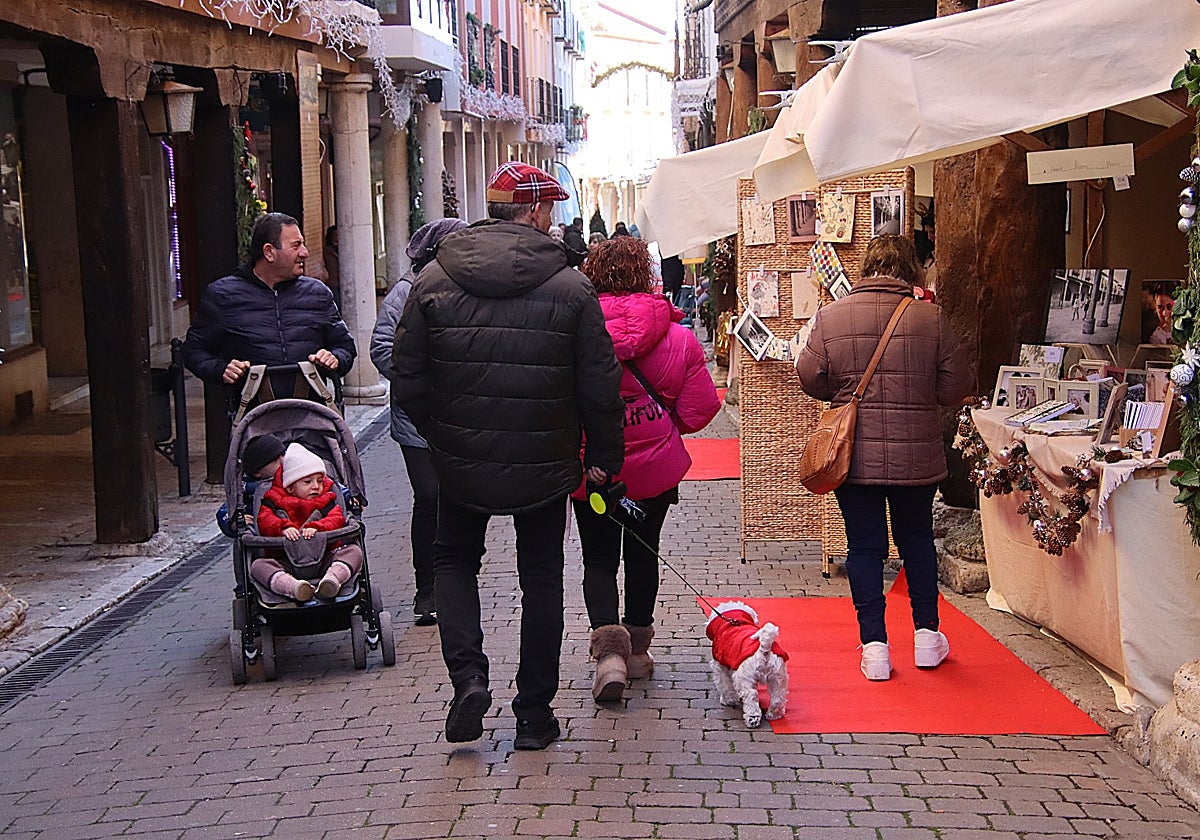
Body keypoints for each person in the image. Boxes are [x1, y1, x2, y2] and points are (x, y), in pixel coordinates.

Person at [391, 161, 625, 750]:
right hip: (544, 460)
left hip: (460, 458)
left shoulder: (434, 281)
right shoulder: (572, 288)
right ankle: (532, 713)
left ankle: (468, 678)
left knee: (453, 563)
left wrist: (438, 435)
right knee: (542, 577)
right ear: (538, 211)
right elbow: (599, 385)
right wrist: (602, 456)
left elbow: (406, 376)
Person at [796, 234, 972, 682]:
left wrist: (844, 392)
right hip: (917, 455)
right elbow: (956, 385)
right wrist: (920, 394)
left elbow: (810, 375)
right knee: (916, 540)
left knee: (864, 546)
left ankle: (875, 647)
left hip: (855, 456)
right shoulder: (930, 318)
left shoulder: (832, 316)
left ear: (866, 267)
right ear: (910, 269)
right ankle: (928, 638)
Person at [574, 236, 720, 702]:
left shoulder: (575, 334)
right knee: (643, 553)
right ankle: (637, 653)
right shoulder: (677, 336)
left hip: (593, 468)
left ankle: (608, 657)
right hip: (653, 473)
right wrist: (661, 424)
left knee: (598, 559)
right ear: (646, 275)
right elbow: (700, 411)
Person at [370, 217, 468, 626]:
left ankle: (457, 584)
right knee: (429, 496)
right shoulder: (404, 293)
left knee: (459, 499)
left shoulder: (469, 289)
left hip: (462, 417)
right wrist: (421, 379)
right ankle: (426, 587)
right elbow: (380, 348)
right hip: (417, 417)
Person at [182, 212, 356, 408]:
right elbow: (193, 351)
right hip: (252, 420)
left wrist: (335, 358)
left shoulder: (317, 293)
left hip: (313, 417)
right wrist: (221, 369)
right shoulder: (223, 295)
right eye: (296, 245)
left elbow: (346, 347)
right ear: (269, 252)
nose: (305, 253)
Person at [252, 443, 364, 603]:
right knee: (258, 566)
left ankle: (332, 580)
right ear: (290, 487)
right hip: (285, 560)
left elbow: (337, 518)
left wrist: (317, 527)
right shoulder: (273, 500)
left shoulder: (327, 499)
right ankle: (293, 587)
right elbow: (265, 520)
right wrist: (283, 527)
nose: (316, 486)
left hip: (326, 555)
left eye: (319, 481)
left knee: (353, 552)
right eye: (308, 482)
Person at [216, 433, 286, 537]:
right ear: (257, 472)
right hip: (263, 534)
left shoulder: (295, 478)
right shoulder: (247, 489)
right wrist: (235, 522)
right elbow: (226, 510)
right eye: (275, 460)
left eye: (283, 455)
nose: (282, 461)